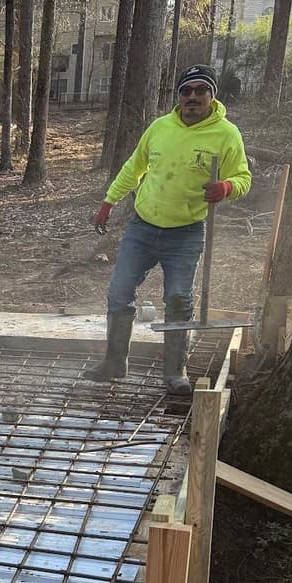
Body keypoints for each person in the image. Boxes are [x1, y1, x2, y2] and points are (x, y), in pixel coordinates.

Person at [88, 64, 251, 399]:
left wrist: (226, 186)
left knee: (178, 299)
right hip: (143, 226)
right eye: (186, 91)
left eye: (200, 91)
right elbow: (134, 167)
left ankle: (175, 372)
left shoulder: (226, 134)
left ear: (211, 95)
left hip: (186, 232)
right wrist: (108, 202)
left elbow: (244, 179)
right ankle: (115, 362)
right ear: (178, 95)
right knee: (119, 292)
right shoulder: (160, 127)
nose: (192, 97)